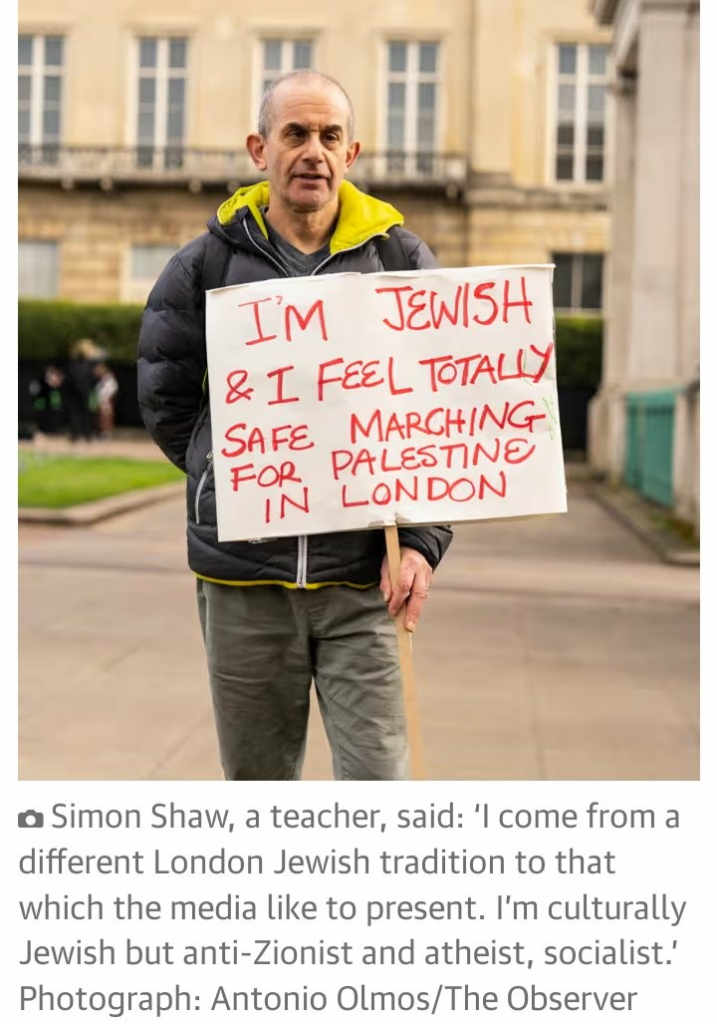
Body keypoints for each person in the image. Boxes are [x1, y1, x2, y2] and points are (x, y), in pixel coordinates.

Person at [137, 70, 452, 781]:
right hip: (243, 582)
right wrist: (234, 472)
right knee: (259, 792)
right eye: (295, 133)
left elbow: (442, 417)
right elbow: (167, 399)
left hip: (362, 581)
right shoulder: (203, 264)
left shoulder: (401, 261)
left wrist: (422, 544)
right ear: (259, 148)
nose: (313, 150)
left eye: (329, 136)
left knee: (379, 787)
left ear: (352, 152)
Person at [93, 361, 119, 438]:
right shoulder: (101, 381)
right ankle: (102, 432)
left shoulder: (109, 379)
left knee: (106, 417)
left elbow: (113, 388)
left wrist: (107, 397)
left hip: (107, 399)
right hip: (100, 400)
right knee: (101, 417)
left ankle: (106, 433)